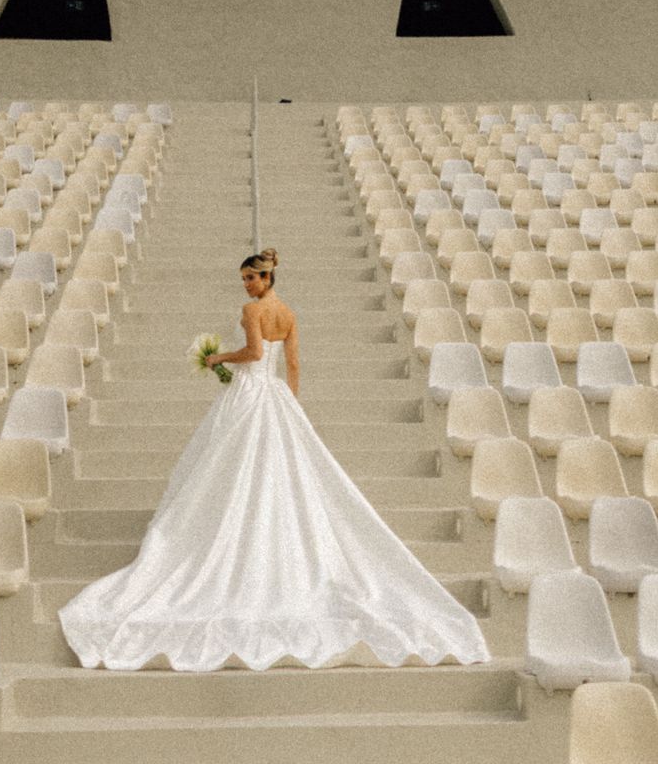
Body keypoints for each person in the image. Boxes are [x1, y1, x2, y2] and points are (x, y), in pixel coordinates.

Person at [57, 247, 489, 671]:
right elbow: (294, 365)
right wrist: (292, 406)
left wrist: (218, 358)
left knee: (228, 467)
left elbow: (256, 355)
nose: (247, 285)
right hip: (276, 397)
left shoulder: (252, 312)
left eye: (252, 278)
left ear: (267, 279)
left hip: (248, 394)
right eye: (244, 278)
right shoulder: (290, 315)